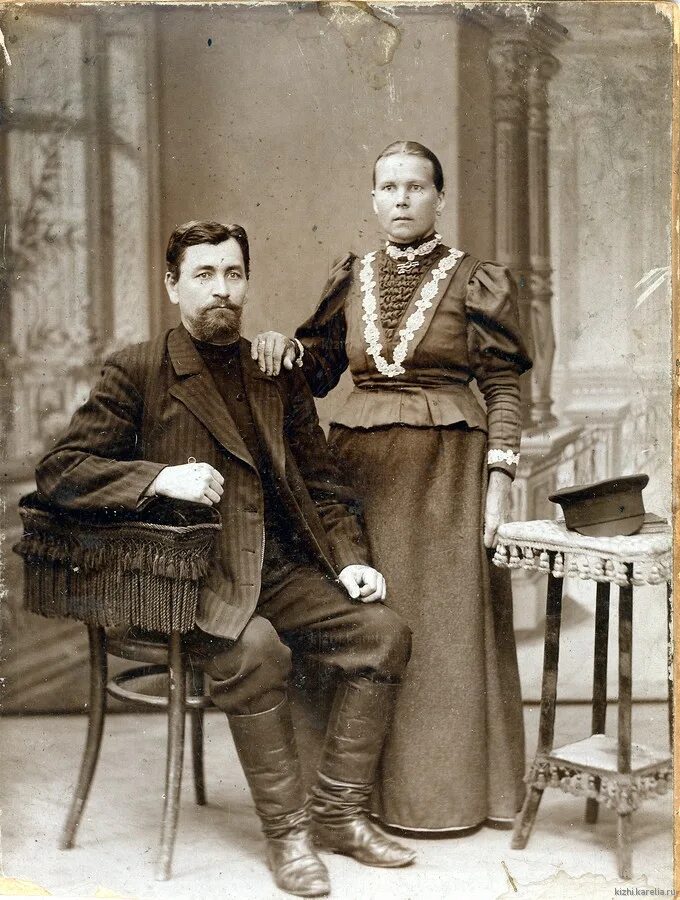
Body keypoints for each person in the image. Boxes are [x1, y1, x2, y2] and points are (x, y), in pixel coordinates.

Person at [35, 221, 416, 898]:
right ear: (173, 285)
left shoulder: (271, 371)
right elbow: (60, 471)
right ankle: (288, 835)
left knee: (383, 634)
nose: (221, 290)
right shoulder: (138, 369)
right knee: (257, 651)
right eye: (204, 275)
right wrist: (158, 479)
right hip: (184, 584)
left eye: (233, 274)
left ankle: (337, 814)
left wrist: (350, 560)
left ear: (246, 282)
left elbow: (322, 483)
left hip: (271, 571)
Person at [252, 141, 533, 833]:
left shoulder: (475, 279)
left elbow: (502, 383)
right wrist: (285, 349)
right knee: (361, 620)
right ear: (374, 198)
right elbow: (318, 371)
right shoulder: (351, 277)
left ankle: (441, 801)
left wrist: (499, 480)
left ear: (439, 197)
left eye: (416, 186)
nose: (402, 198)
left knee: (441, 634)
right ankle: (348, 801)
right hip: (355, 477)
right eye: (389, 187)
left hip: (447, 478)